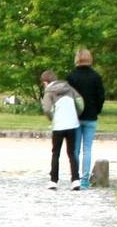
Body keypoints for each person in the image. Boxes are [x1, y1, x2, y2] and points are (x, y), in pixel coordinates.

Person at [67, 48, 105, 189]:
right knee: (87, 149)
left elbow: (67, 97)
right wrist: (97, 110)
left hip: (75, 117)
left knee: (75, 149)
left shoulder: (71, 77)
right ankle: (84, 180)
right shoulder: (96, 77)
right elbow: (100, 97)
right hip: (91, 116)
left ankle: (75, 178)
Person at [40, 70, 83, 190]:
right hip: (72, 124)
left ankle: (53, 180)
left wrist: (52, 119)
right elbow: (80, 102)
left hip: (58, 125)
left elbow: (47, 109)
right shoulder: (69, 88)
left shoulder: (49, 92)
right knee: (71, 152)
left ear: (45, 82)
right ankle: (75, 180)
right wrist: (76, 114)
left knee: (56, 153)